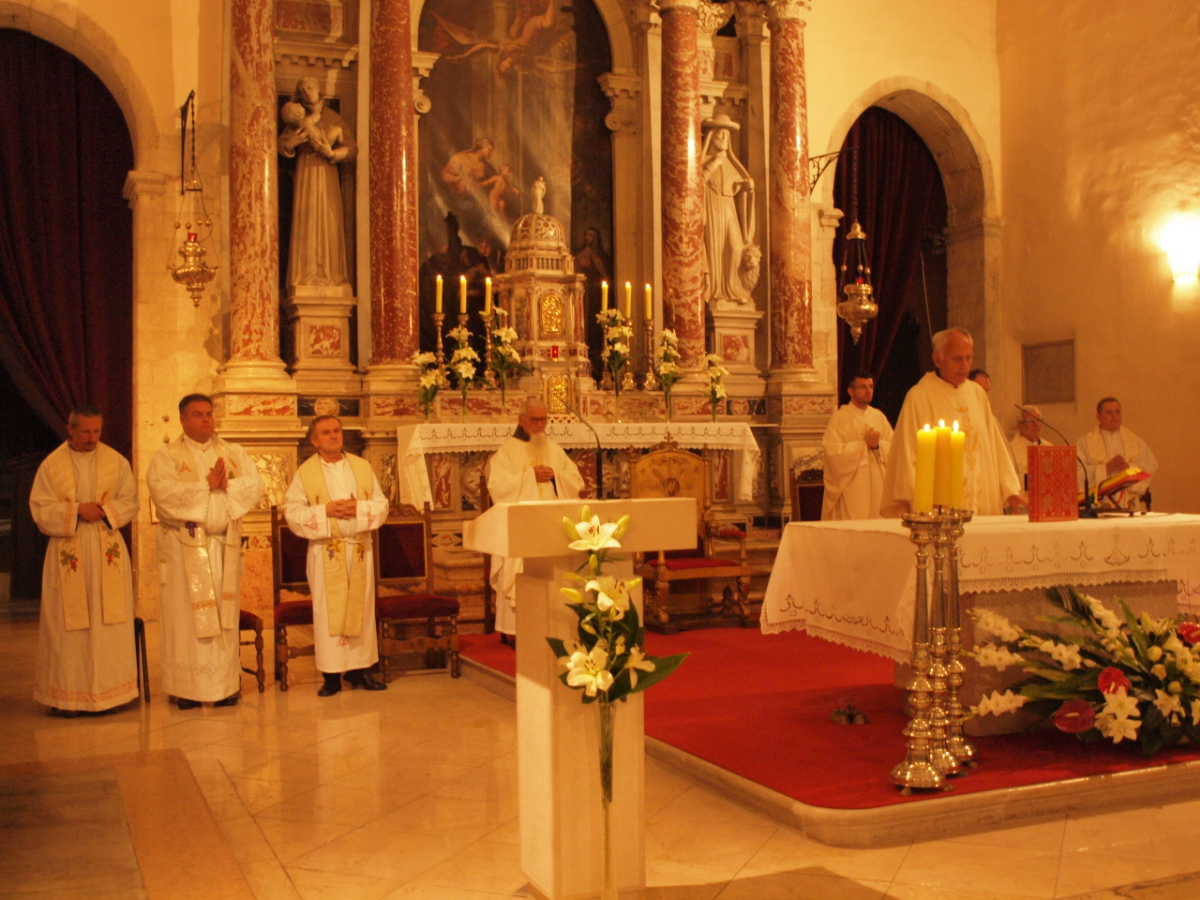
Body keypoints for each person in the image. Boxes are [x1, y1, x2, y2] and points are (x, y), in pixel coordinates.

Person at [147, 394, 264, 709]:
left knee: (224, 619)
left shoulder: (233, 452)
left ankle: (225, 686)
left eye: (209, 414)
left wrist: (227, 486)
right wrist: (206, 485)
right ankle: (187, 689)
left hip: (223, 547)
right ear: (183, 419)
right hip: (184, 549)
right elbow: (162, 493)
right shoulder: (167, 456)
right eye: (198, 415)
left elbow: (256, 485)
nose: (206, 420)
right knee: (186, 619)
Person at [30, 405, 139, 717]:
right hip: (69, 549)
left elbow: (130, 501)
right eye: (86, 432)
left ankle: (111, 694)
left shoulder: (115, 461)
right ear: (71, 430)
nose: (92, 438)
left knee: (108, 623)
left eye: (96, 431)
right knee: (68, 627)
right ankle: (69, 697)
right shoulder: (52, 466)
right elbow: (40, 508)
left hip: (106, 548)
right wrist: (77, 510)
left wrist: (103, 511)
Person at [284, 416, 390, 695]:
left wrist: (359, 509)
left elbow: (381, 504)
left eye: (337, 431)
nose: (333, 436)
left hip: (359, 550)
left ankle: (361, 670)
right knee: (327, 611)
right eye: (326, 432)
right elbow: (292, 513)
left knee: (361, 610)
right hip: (326, 551)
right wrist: (325, 511)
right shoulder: (305, 473)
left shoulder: (361, 466)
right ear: (314, 440)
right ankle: (330, 675)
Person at [881, 328, 1023, 516]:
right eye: (957, 359)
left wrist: (1010, 490)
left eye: (969, 358)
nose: (964, 366)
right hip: (939, 509)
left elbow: (994, 445)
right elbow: (906, 456)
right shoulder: (919, 397)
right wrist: (922, 501)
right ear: (937, 359)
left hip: (983, 502)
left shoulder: (977, 393)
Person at [486, 397, 585, 642]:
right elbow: (497, 487)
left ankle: (554, 626)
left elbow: (576, 482)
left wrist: (556, 476)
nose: (540, 425)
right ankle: (518, 630)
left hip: (551, 524)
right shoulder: (507, 452)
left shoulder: (554, 449)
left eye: (544, 420)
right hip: (522, 526)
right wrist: (530, 476)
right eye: (535, 420)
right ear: (521, 420)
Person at [277, 77, 358, 290]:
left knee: (329, 218)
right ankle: (306, 275)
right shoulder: (297, 118)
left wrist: (331, 153)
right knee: (307, 216)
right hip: (307, 172)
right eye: (302, 90)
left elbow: (352, 147)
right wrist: (293, 142)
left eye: (310, 87)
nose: (307, 92)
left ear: (318, 88)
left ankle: (331, 273)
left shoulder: (332, 116)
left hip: (328, 171)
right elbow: (282, 144)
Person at [701, 115, 759, 306]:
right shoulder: (707, 160)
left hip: (728, 208)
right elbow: (696, 183)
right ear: (711, 136)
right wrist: (715, 163)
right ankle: (716, 289)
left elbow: (739, 189)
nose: (725, 138)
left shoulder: (731, 163)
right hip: (712, 206)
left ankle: (733, 287)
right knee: (715, 248)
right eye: (721, 134)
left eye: (727, 135)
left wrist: (748, 189)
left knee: (735, 247)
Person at [821, 373, 894, 520]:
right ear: (851, 391)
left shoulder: (878, 416)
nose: (868, 391)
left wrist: (878, 445)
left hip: (878, 484)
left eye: (871, 387)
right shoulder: (840, 418)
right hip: (853, 486)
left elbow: (894, 447)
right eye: (863, 387)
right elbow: (832, 452)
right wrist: (862, 445)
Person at [1076, 397, 1158, 507]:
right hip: (1098, 508)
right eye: (1109, 412)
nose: (1114, 416)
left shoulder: (1135, 441)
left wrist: (1129, 467)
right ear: (1098, 417)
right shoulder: (1084, 444)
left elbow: (1151, 465)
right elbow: (1076, 473)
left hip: (1128, 506)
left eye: (1117, 412)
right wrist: (1105, 469)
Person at [1009, 404, 1053, 488]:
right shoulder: (1011, 451)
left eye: (1038, 420)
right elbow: (1011, 482)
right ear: (1020, 426)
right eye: (1030, 420)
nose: (1036, 424)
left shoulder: (1050, 447)